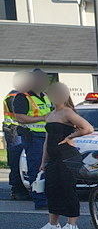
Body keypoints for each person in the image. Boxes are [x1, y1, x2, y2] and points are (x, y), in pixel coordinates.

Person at [27, 82, 94, 229]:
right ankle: (52, 225)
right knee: (52, 190)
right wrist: (43, 162)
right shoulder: (50, 115)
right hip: (54, 158)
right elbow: (46, 141)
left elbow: (88, 128)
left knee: (67, 190)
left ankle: (72, 226)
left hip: (67, 157)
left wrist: (71, 136)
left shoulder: (67, 112)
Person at [6, 69, 54, 208]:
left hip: (47, 136)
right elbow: (20, 117)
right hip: (33, 137)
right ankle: (40, 200)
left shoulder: (45, 96)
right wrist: (43, 118)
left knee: (48, 169)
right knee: (37, 169)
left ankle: (48, 198)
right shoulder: (23, 97)